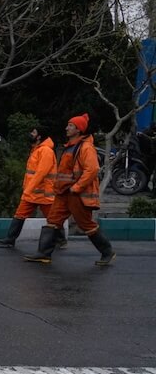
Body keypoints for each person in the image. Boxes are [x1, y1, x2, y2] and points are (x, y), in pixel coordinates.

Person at [24, 113, 115, 266]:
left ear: (78, 129)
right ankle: (43, 253)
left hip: (76, 194)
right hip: (64, 192)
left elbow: (92, 170)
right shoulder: (71, 146)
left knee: (86, 224)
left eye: (70, 126)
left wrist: (76, 188)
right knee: (53, 221)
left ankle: (107, 252)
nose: (67, 128)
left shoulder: (85, 148)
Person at [0, 127, 64, 248]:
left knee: (52, 218)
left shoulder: (45, 151)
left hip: (43, 194)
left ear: (39, 137)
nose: (30, 134)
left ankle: (61, 240)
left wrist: (28, 188)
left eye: (33, 132)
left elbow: (41, 172)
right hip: (33, 193)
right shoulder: (37, 150)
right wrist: (27, 188)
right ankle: (10, 239)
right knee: (19, 214)